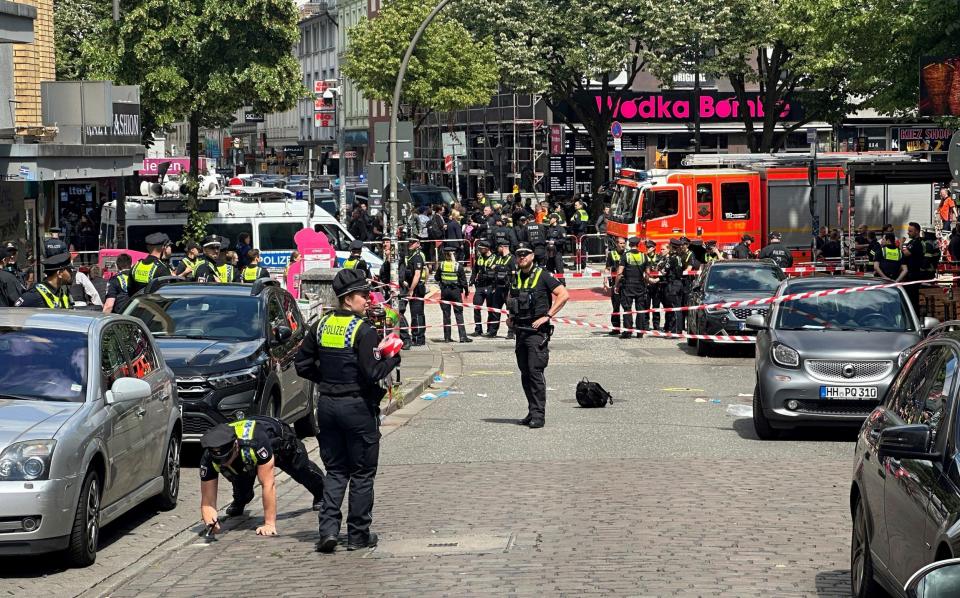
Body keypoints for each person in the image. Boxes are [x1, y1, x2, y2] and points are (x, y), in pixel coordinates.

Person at [295, 269, 401, 553]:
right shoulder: (363, 331)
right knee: (362, 473)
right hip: (357, 408)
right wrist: (392, 357)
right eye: (363, 295)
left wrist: (327, 381)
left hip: (327, 407)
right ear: (347, 298)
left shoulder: (320, 325)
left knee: (336, 471)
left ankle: (328, 531)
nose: (368, 300)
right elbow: (372, 373)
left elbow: (302, 365)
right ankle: (357, 535)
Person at [198, 417, 326, 537]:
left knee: (302, 471)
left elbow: (268, 484)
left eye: (226, 458)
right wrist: (210, 520)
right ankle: (241, 499)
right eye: (219, 460)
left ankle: (322, 493)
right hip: (246, 454)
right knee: (237, 476)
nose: (223, 463)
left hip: (279, 444)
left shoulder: (255, 441)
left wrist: (269, 524)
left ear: (235, 446)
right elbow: (207, 499)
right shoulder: (209, 457)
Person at [506, 243, 569, 428]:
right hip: (521, 331)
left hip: (536, 332)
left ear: (532, 256)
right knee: (525, 374)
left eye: (525, 254)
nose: (522, 257)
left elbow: (563, 295)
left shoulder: (543, 275)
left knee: (535, 373)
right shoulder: (516, 276)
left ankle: (539, 415)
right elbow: (512, 298)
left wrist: (547, 316)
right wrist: (510, 317)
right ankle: (531, 411)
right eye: (519, 255)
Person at [435, 246, 473, 343]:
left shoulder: (442, 265)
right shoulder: (457, 266)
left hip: (444, 291)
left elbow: (436, 277)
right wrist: (466, 292)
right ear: (454, 254)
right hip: (455, 291)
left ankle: (447, 337)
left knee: (446, 315)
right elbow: (464, 281)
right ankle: (463, 337)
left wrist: (442, 282)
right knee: (459, 314)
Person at [616, 237, 650, 338]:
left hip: (628, 285)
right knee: (640, 309)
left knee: (627, 308)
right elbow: (647, 273)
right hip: (640, 285)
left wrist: (616, 285)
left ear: (629, 244)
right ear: (638, 244)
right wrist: (646, 282)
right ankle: (640, 332)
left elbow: (619, 272)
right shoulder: (644, 256)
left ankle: (628, 332)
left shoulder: (626, 256)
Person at [400, 238, 427, 347]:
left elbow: (417, 275)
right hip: (413, 286)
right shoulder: (412, 256)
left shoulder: (417, 257)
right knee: (412, 313)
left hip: (416, 289)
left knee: (417, 314)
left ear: (418, 244)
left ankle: (418, 338)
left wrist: (411, 290)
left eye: (413, 243)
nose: (410, 244)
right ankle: (415, 336)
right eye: (409, 243)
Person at [487, 240, 516, 338]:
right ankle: (492, 332)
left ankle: (511, 332)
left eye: (499, 247)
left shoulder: (512, 259)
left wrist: (498, 267)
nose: (497, 249)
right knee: (495, 311)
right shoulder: (498, 258)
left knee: (510, 312)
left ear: (503, 247)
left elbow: (514, 274)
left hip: (508, 289)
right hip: (498, 288)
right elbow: (491, 268)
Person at [470, 240, 495, 336]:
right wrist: (471, 281)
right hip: (479, 286)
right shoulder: (479, 258)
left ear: (487, 249)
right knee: (476, 307)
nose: (479, 250)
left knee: (491, 309)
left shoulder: (495, 258)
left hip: (490, 286)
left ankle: (490, 329)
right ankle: (478, 329)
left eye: (481, 249)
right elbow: (474, 270)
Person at [661, 239, 685, 334]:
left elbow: (664, 270)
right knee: (678, 307)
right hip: (679, 283)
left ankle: (676, 330)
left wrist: (662, 270)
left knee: (675, 308)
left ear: (671, 246)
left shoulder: (672, 258)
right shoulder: (679, 257)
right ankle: (677, 329)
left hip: (673, 284)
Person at [901, 222, 926, 311]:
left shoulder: (916, 243)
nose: (908, 233)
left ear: (917, 232)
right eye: (908, 231)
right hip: (910, 274)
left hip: (914, 274)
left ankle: (914, 316)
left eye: (910, 231)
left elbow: (905, 253)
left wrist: (901, 243)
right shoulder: (912, 242)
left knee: (912, 298)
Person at [603, 237, 625, 335]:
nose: (622, 245)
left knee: (626, 307)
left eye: (624, 243)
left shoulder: (627, 254)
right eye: (620, 243)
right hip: (615, 284)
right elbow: (607, 269)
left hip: (626, 284)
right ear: (616, 244)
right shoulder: (612, 254)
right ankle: (616, 328)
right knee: (616, 307)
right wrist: (605, 281)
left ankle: (628, 328)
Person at [645, 241, 666, 332]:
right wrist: (648, 280)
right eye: (647, 247)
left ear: (653, 248)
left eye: (649, 247)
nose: (648, 249)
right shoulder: (644, 257)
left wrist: (656, 280)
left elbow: (663, 271)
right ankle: (646, 324)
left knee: (656, 306)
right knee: (646, 305)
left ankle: (656, 324)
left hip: (657, 285)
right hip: (647, 284)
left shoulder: (659, 257)